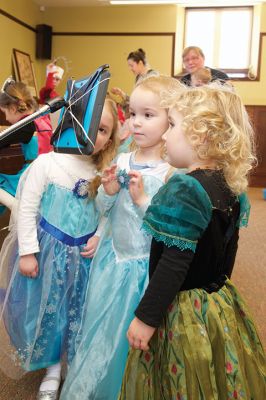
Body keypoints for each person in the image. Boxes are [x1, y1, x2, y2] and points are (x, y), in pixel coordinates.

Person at [119, 83, 266, 399]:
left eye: (173, 125)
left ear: (201, 137)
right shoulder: (231, 186)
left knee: (181, 377)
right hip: (216, 299)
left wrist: (146, 318)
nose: (166, 135)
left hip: (184, 307)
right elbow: (229, 251)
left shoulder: (185, 188)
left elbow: (173, 262)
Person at [60, 75, 183, 400]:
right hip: (111, 264)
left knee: (135, 339)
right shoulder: (121, 160)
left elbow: (168, 228)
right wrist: (111, 193)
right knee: (101, 331)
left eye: (148, 114)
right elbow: (104, 209)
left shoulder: (172, 173)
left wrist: (143, 201)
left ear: (170, 120)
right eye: (133, 114)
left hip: (145, 270)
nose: (137, 123)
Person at [0, 98, 119, 400]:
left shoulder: (102, 171)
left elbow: (107, 212)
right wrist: (27, 251)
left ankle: (73, 362)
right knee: (49, 313)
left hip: (84, 257)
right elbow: (26, 209)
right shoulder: (48, 163)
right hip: (48, 255)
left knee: (78, 312)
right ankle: (52, 369)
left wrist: (100, 234)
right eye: (90, 124)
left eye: (103, 129)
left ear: (110, 138)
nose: (96, 135)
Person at [0, 79, 53, 213]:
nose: (5, 118)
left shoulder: (25, 126)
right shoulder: (41, 117)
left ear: (12, 108)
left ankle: (16, 211)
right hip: (46, 174)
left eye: (5, 112)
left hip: (30, 177)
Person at [111, 48, 158, 112]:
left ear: (140, 63)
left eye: (131, 65)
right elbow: (136, 100)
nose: (130, 68)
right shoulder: (138, 77)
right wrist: (121, 93)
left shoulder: (153, 76)